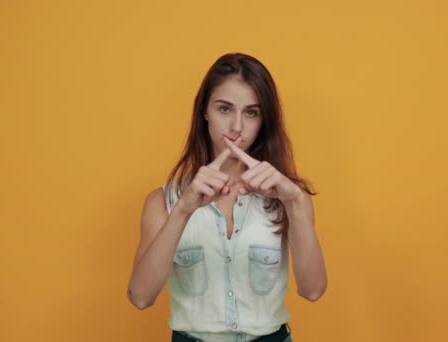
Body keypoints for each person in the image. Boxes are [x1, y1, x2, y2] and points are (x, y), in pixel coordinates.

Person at [127, 52, 327, 342]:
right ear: (204, 112)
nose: (236, 127)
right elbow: (141, 297)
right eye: (224, 109)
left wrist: (295, 201)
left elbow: (313, 290)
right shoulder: (163, 201)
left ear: (263, 121)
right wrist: (184, 209)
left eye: (251, 113)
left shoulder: (289, 198)